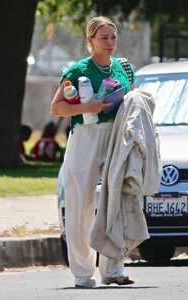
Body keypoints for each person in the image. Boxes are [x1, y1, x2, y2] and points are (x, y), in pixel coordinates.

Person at [50, 16, 137, 288]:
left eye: (113, 37)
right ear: (90, 41)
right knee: (80, 205)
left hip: (114, 137)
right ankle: (82, 273)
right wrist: (88, 107)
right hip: (85, 137)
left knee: (115, 203)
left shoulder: (123, 68)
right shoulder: (78, 70)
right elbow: (57, 108)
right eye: (104, 38)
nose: (110, 43)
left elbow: (131, 99)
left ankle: (113, 270)